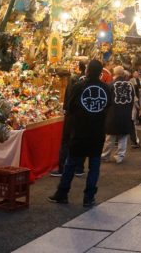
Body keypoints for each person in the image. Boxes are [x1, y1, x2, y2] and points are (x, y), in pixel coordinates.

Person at [48, 59, 111, 207]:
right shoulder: (106, 89)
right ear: (101, 72)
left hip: (80, 131)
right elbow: (108, 107)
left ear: (88, 71)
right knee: (94, 166)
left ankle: (62, 193)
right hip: (97, 133)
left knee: (71, 163)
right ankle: (89, 197)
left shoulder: (78, 87)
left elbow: (69, 108)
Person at [51, 62, 86, 178]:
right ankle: (79, 168)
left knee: (66, 141)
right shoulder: (88, 80)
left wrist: (66, 109)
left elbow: (69, 97)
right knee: (80, 141)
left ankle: (62, 168)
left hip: (72, 115)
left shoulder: (73, 80)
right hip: (84, 116)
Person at [101, 66, 135, 164]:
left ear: (114, 73)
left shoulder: (111, 85)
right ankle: (119, 157)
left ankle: (105, 156)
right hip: (126, 114)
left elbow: (107, 101)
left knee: (109, 137)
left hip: (113, 114)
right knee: (123, 137)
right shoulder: (130, 85)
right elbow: (132, 99)